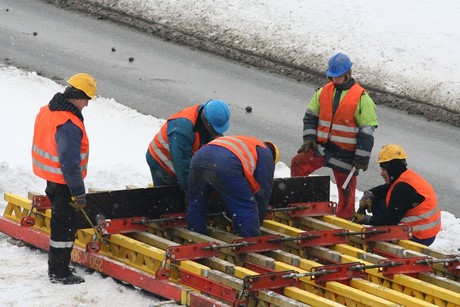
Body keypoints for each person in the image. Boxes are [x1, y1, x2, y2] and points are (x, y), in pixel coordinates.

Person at [290, 52, 378, 219]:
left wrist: (361, 158)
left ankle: (344, 222)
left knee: (346, 193)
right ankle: (299, 205)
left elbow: (367, 130)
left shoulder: (361, 97)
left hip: (346, 155)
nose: (335, 80)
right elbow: (311, 116)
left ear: (347, 74)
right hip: (322, 148)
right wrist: (309, 138)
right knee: (298, 164)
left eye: (338, 76)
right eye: (332, 76)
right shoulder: (323, 91)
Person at [32, 73, 97, 284]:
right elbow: (69, 163)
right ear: (77, 97)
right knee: (64, 227)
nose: (87, 104)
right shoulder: (69, 123)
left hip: (52, 178)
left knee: (62, 223)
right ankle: (59, 273)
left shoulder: (49, 110)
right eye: (86, 99)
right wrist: (78, 191)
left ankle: (59, 266)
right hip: (64, 182)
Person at [187, 136, 279, 237]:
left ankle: (195, 236)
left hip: (199, 158)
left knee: (197, 202)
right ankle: (251, 243)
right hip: (226, 163)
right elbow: (261, 192)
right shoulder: (266, 155)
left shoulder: (248, 143)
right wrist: (258, 218)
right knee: (244, 206)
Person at [353, 144, 441, 246]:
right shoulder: (406, 177)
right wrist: (370, 194)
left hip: (419, 236)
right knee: (377, 200)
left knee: (383, 216)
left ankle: (384, 239)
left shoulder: (403, 188)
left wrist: (366, 219)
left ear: (392, 169)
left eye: (384, 169)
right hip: (426, 231)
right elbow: (387, 188)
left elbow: (389, 220)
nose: (381, 173)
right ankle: (382, 232)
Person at [146, 99, 230, 197]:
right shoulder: (182, 129)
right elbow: (182, 167)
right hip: (162, 160)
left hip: (182, 156)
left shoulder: (209, 117)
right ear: (207, 122)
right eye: (215, 130)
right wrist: (193, 194)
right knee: (168, 198)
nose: (218, 133)